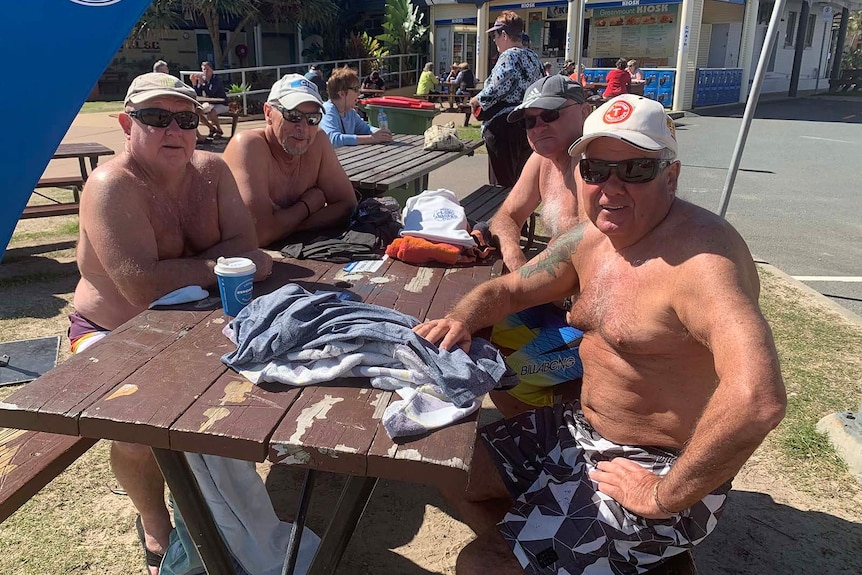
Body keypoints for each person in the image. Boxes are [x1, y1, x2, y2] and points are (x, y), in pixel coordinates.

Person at [415, 94, 786, 574]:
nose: (610, 187)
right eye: (595, 170)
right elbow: (506, 290)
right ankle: (592, 556)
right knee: (450, 469)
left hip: (654, 462)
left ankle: (608, 549)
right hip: (577, 431)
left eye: (635, 169)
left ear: (670, 176)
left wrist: (663, 494)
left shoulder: (702, 263)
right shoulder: (591, 238)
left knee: (481, 566)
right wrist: (462, 319)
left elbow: (757, 399)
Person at [70, 72, 273, 575]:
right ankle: (154, 520)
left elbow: (247, 246)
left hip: (189, 326)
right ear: (126, 123)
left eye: (184, 119)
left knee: (245, 406)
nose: (173, 130)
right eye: (156, 118)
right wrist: (221, 262)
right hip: (106, 330)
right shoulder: (110, 184)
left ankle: (223, 520)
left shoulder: (211, 171)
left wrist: (207, 265)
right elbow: (140, 286)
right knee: (137, 428)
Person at [488, 75, 592, 416]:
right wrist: (516, 259)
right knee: (481, 335)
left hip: (587, 322)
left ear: (585, 111)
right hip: (548, 302)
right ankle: (542, 419)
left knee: (507, 377)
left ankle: (549, 436)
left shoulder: (597, 168)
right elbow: (504, 218)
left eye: (549, 115)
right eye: (530, 120)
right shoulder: (542, 161)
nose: (537, 127)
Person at [223, 74, 357, 248]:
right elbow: (258, 233)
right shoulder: (248, 146)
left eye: (312, 119)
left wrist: (284, 224)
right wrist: (307, 206)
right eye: (293, 115)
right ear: (268, 113)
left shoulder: (318, 141)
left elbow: (347, 206)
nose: (303, 127)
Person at [472, 11, 543, 188]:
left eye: (494, 35)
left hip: (503, 127)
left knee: (501, 187)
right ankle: (521, 215)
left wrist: (476, 100)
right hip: (526, 123)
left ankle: (504, 216)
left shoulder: (508, 56)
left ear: (503, 35)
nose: (494, 40)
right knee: (521, 184)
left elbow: (497, 87)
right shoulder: (533, 57)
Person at [321, 66, 392, 148]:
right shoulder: (327, 110)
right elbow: (333, 139)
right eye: (355, 89)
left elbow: (366, 129)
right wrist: (372, 138)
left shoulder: (350, 112)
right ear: (342, 93)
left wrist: (380, 133)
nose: (358, 94)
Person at [192, 61, 229, 138]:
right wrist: (194, 83)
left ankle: (219, 130)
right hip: (210, 103)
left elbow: (211, 92)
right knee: (197, 112)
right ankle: (211, 128)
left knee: (212, 113)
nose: (205, 71)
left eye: (207, 69)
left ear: (212, 70)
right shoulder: (203, 79)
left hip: (222, 103)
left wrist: (203, 84)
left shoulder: (216, 79)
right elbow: (197, 93)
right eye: (203, 69)